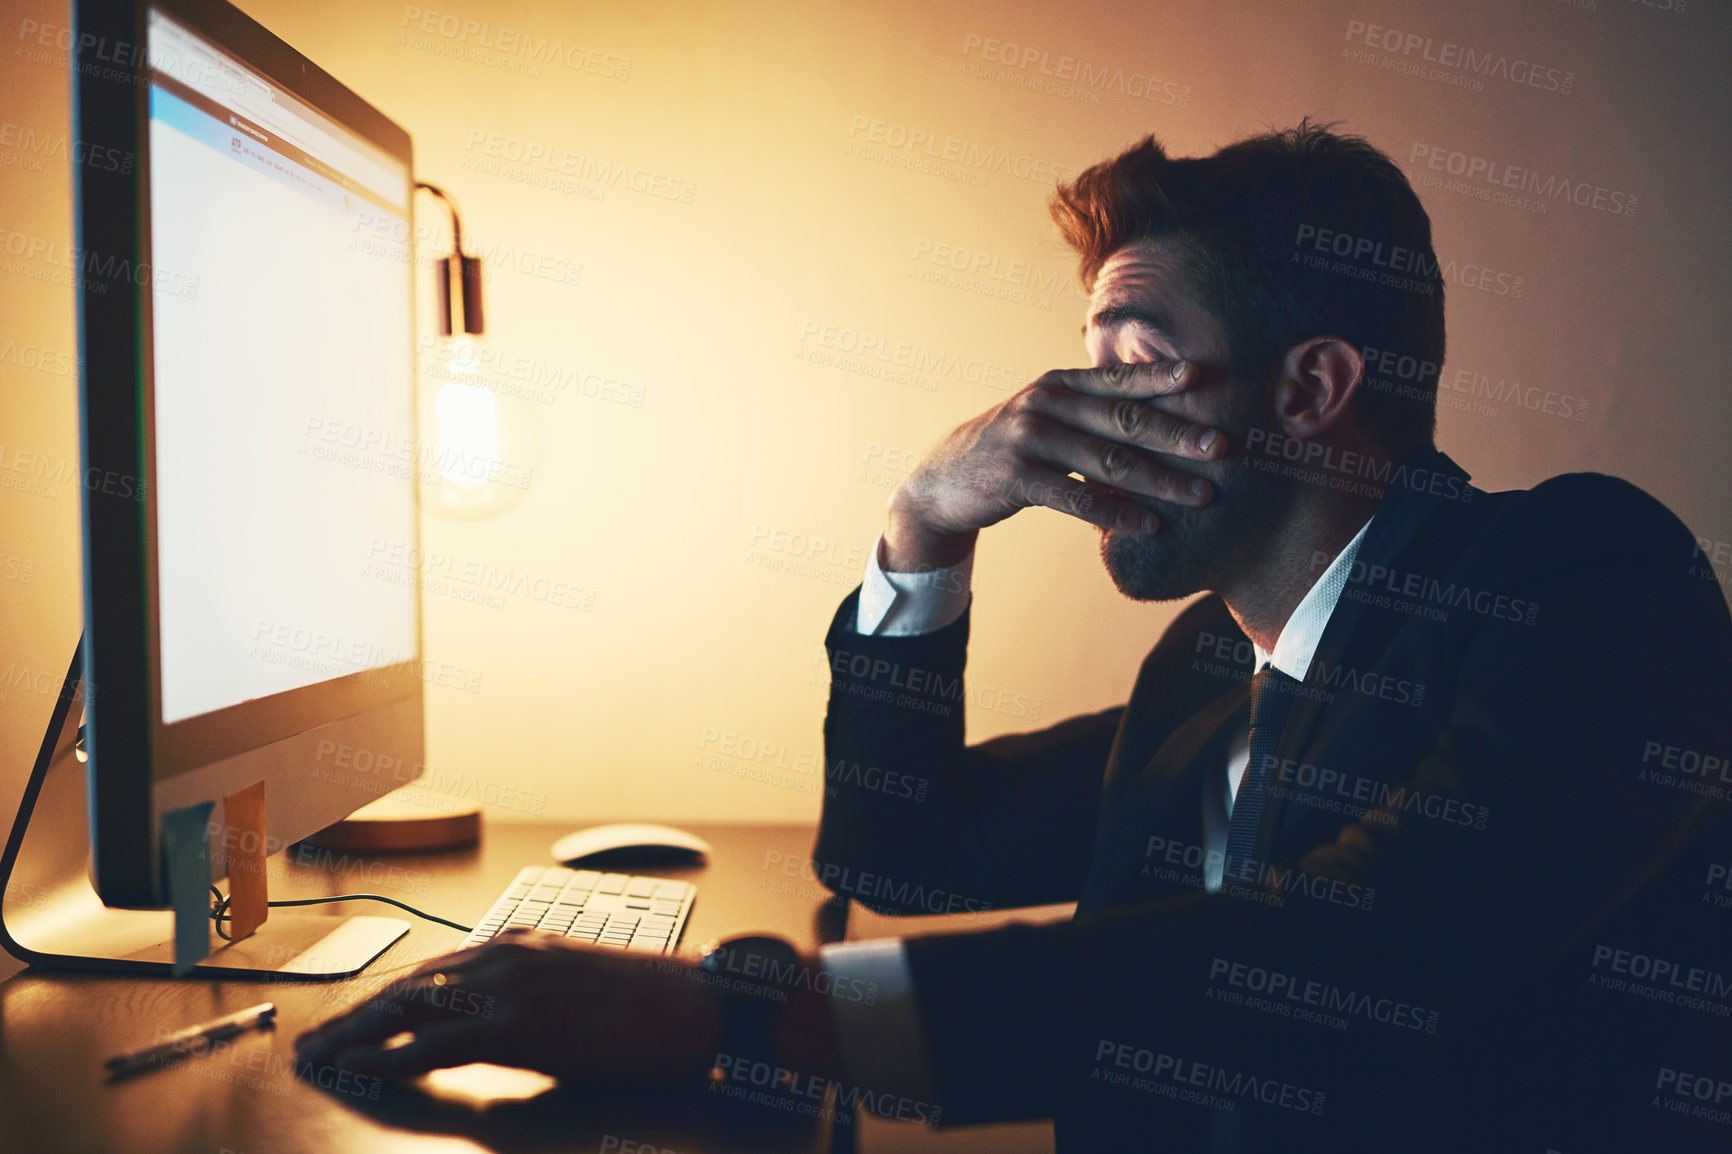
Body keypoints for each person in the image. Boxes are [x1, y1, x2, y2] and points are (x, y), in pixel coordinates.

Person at [296, 122, 1732, 1153]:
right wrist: (923, 523)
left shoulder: (1592, 572)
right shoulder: (1211, 670)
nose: (1070, 421)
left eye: (1135, 366)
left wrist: (747, 1016)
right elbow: (896, 850)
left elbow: (1379, 942)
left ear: (1312, 389)